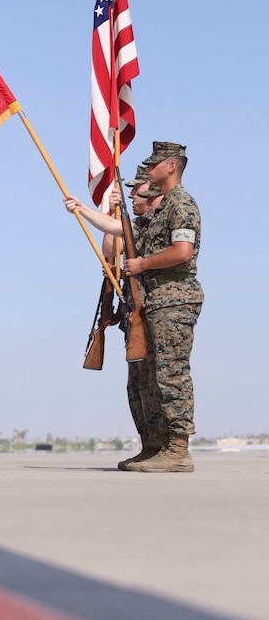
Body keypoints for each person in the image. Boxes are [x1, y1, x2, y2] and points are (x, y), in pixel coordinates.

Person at [63, 167, 164, 469]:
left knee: (158, 383)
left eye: (137, 191)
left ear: (153, 195)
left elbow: (122, 231)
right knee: (138, 387)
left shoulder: (157, 222)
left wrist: (83, 209)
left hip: (156, 309)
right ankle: (150, 446)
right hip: (137, 311)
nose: (133, 195)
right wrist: (104, 211)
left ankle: (166, 448)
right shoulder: (139, 223)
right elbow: (112, 245)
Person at [122, 141, 203, 472]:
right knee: (151, 379)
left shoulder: (181, 205)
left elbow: (182, 252)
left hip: (175, 298)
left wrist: (141, 265)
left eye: (154, 164)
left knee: (171, 375)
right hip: (157, 301)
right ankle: (158, 447)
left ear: (171, 166)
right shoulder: (164, 207)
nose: (149, 171)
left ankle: (179, 451)